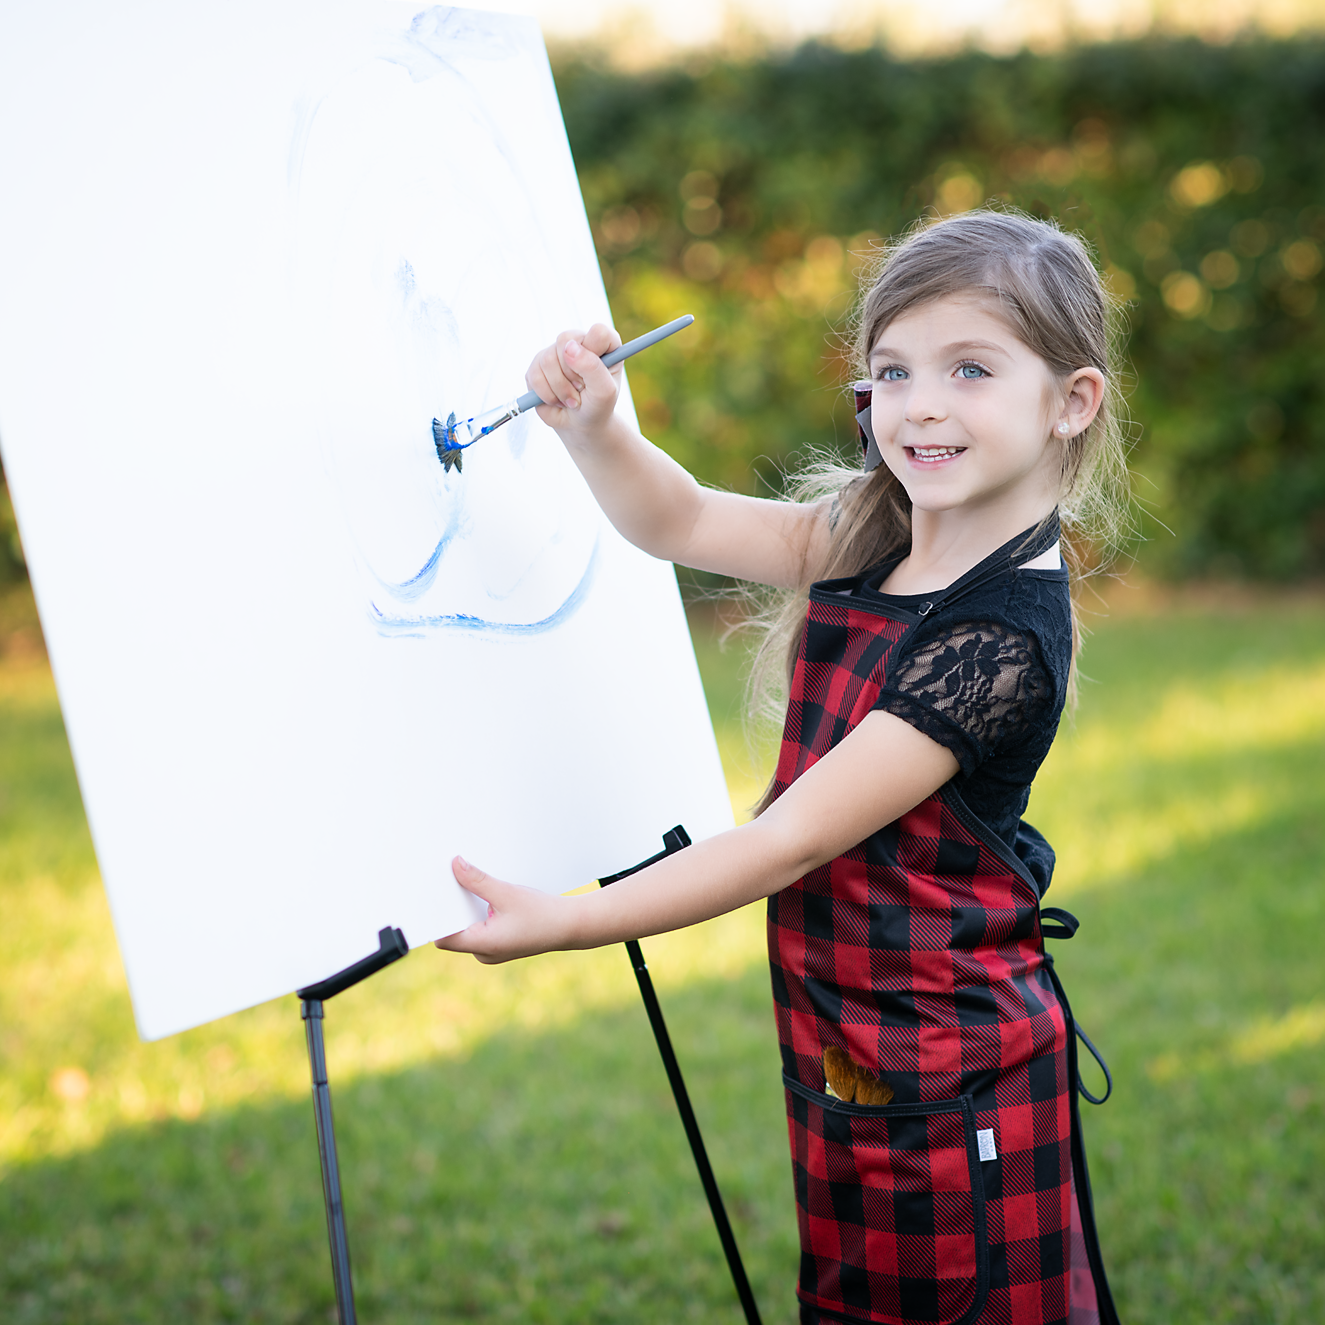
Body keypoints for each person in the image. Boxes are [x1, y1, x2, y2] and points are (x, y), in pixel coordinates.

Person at [437, 208, 1128, 1325]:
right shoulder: (871, 532)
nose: (922, 403)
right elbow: (678, 519)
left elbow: (787, 839)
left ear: (1069, 401)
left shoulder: (998, 640)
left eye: (969, 367)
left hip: (950, 1072)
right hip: (850, 1050)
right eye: (891, 369)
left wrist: (563, 922)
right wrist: (596, 428)